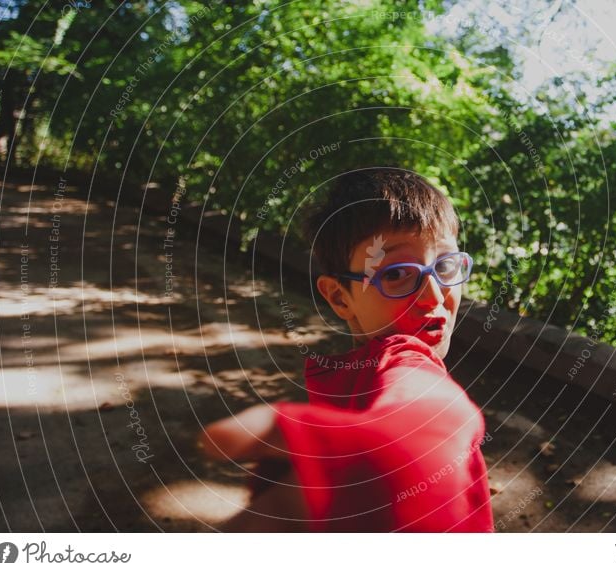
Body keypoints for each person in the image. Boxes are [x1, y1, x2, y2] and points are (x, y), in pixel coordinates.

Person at [199, 168, 494, 532]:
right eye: (397, 274)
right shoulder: (386, 360)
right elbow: (427, 404)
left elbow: (424, 402)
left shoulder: (383, 363)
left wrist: (405, 446)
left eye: (446, 266)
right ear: (340, 297)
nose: (434, 295)